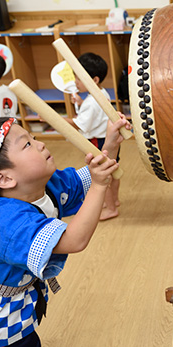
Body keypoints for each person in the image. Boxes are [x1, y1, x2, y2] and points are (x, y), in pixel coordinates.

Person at [0, 114, 129, 347]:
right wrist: (101, 185)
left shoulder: (46, 186)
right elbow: (75, 240)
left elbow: (90, 178)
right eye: (27, 144)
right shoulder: (7, 222)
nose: (40, 142)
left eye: (32, 137)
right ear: (4, 178)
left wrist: (110, 145)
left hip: (20, 299)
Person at [64, 52, 122, 221]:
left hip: (98, 142)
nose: (76, 81)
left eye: (79, 78)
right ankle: (114, 201)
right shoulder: (101, 93)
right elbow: (94, 112)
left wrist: (52, 118)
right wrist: (81, 104)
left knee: (103, 175)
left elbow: (78, 124)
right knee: (113, 171)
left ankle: (110, 208)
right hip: (108, 138)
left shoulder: (91, 102)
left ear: (94, 80)